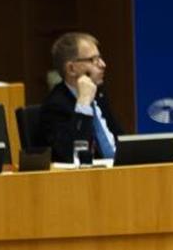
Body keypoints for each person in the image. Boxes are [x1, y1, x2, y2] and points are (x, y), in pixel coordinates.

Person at [40, 32, 127, 163]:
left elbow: (120, 138)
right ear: (71, 69)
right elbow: (73, 154)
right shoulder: (55, 106)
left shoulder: (99, 95)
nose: (103, 64)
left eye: (100, 58)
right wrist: (83, 104)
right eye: (93, 60)